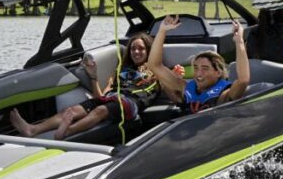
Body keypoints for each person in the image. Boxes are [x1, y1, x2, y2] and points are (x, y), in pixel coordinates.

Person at [9, 33, 166, 140]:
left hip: (131, 104)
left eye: (141, 49)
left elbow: (171, 90)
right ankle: (33, 130)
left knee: (101, 110)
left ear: (149, 51)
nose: (136, 52)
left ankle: (66, 131)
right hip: (112, 99)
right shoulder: (120, 71)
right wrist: (93, 76)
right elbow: (100, 97)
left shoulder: (156, 70)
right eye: (133, 48)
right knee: (71, 110)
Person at [148, 14, 249, 113]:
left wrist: (239, 41)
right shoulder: (185, 88)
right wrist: (162, 31)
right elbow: (154, 66)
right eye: (196, 68)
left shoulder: (224, 95)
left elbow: (243, 80)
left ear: (218, 72)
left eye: (205, 68)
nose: (198, 73)